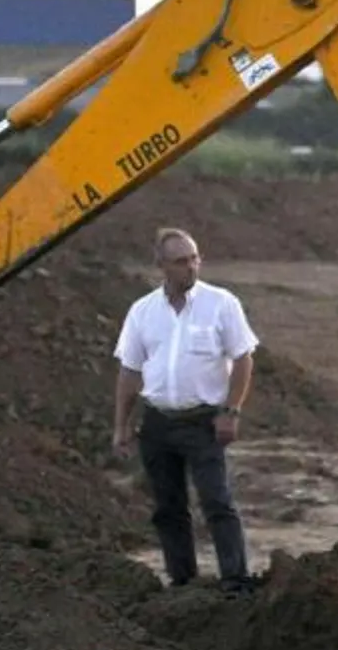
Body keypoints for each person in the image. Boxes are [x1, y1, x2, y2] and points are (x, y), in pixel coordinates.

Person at [111, 228, 260, 594]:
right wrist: (121, 426)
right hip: (158, 422)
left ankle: (235, 580)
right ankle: (182, 580)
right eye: (181, 261)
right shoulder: (142, 311)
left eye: (195, 258)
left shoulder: (221, 303)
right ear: (161, 265)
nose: (191, 267)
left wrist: (232, 411)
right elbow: (130, 371)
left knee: (217, 501)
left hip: (204, 422)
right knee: (168, 507)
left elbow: (243, 359)